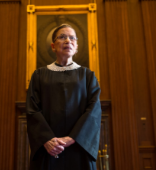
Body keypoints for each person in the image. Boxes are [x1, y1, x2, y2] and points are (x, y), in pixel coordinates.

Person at [26, 24, 102, 170]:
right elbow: (32, 109)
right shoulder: (39, 75)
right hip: (48, 148)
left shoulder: (87, 76)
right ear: (53, 46)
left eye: (72, 38)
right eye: (62, 37)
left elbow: (94, 110)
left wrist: (72, 138)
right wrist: (47, 139)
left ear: (76, 46)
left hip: (79, 147)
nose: (68, 40)